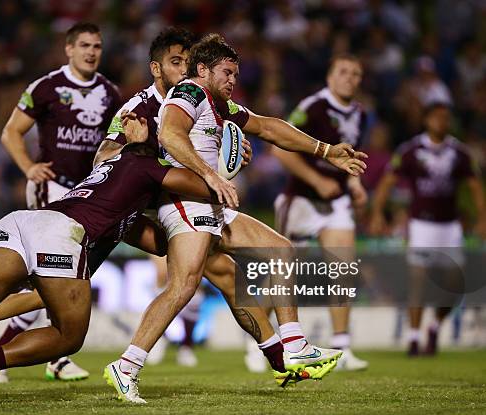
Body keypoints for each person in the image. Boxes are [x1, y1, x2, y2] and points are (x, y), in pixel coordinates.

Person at [103, 34, 367, 404]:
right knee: (183, 286)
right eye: (227, 73)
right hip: (185, 201)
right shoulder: (189, 94)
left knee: (279, 250)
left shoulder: (216, 103)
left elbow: (267, 127)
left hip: (210, 203)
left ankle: (293, 346)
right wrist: (211, 175)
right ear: (203, 70)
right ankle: (127, 365)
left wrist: (324, 150)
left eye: (236, 75)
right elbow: (171, 135)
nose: (232, 81)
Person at [0, 121, 226, 405]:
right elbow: (204, 187)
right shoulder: (146, 166)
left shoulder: (116, 180)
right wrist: (224, 165)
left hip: (25, 221)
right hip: (60, 236)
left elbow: (160, 244)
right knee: (69, 336)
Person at [0, 22, 122, 383]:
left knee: (59, 289)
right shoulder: (47, 87)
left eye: (97, 45)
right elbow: (10, 132)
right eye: (84, 45)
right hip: (51, 193)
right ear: (68, 49)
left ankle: (28, 352)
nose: (91, 51)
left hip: (87, 199)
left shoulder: (110, 94)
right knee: (45, 287)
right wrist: (29, 167)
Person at [271, 54, 369, 371]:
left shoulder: (359, 113)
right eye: (344, 71)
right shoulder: (312, 107)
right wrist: (316, 179)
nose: (350, 78)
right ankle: (263, 339)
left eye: (356, 73)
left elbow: (350, 158)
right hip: (300, 199)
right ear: (330, 76)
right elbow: (279, 149)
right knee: (282, 272)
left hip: (335, 201)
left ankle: (342, 346)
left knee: (343, 269)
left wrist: (354, 184)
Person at [369, 103, 486, 356]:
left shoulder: (459, 153)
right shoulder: (411, 151)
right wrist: (378, 212)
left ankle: (434, 325)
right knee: (418, 279)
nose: (441, 122)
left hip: (450, 225)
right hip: (421, 224)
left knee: (456, 282)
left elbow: (476, 186)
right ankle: (413, 337)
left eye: (445, 118)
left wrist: (482, 217)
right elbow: (388, 181)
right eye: (436, 117)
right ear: (426, 120)